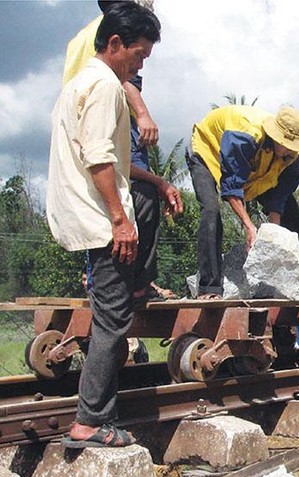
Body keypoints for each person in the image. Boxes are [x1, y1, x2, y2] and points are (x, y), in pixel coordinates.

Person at [47, 2, 163, 447]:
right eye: (138, 56)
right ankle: (91, 421)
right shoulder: (104, 87)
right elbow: (99, 157)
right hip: (99, 218)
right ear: (114, 44)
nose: (138, 67)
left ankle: (95, 415)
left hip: (86, 215)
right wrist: (119, 219)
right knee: (113, 324)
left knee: (111, 315)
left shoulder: (78, 84)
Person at [65, 0, 182, 303]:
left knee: (127, 195)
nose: (141, 63)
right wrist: (142, 112)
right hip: (106, 117)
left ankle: (114, 281)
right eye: (140, 55)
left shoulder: (82, 37)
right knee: (134, 199)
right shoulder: (108, 46)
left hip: (86, 122)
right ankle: (125, 285)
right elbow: (118, 79)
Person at [187, 105, 299, 300]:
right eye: (286, 145)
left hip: (254, 170)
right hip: (207, 150)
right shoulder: (244, 135)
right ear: (275, 135)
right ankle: (209, 287)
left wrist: (274, 228)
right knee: (211, 210)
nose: (289, 150)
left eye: (292, 147)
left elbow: (281, 193)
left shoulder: (290, 153)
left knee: (290, 207)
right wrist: (249, 226)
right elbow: (231, 186)